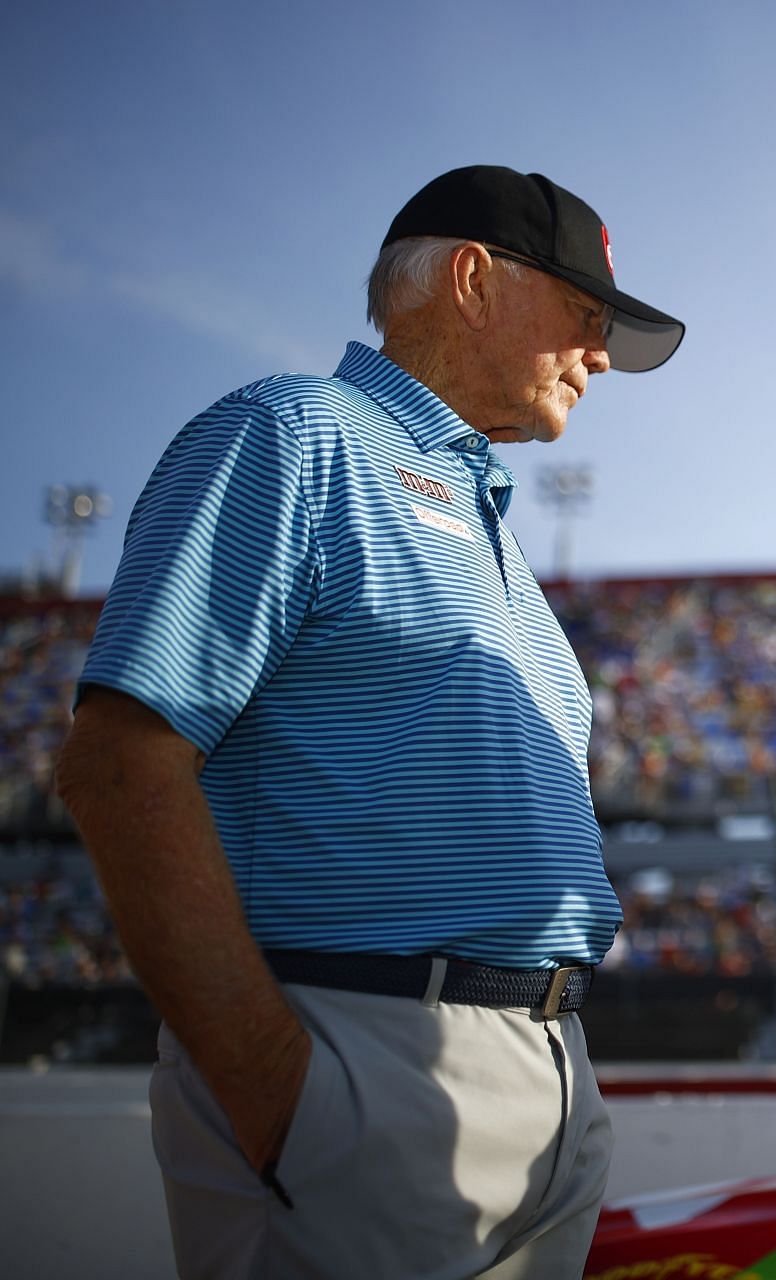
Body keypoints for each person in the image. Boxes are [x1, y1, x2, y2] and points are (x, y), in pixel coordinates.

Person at [55, 165, 684, 1278]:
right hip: (361, 1052)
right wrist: (275, 1089)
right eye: (586, 316)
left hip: (547, 1071)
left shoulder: (493, 533)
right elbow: (121, 765)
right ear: (474, 279)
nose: (599, 355)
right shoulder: (293, 433)